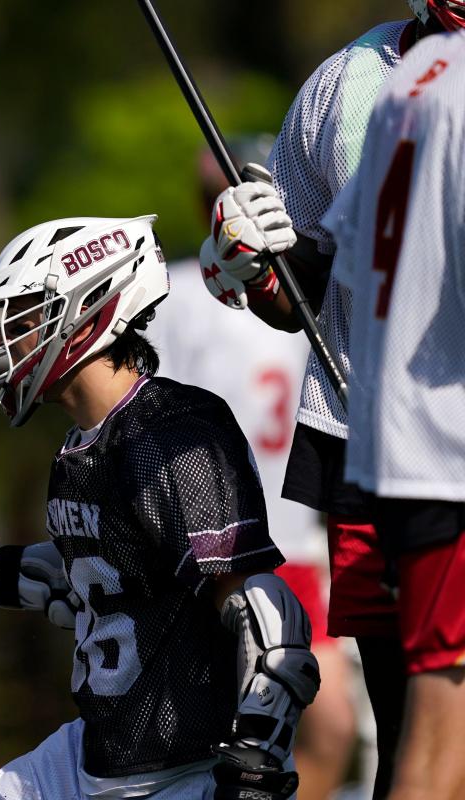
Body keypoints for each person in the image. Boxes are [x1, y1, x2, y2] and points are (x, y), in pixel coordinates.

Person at [0, 216, 320, 800]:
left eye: (29, 316)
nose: (10, 339)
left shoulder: (171, 431)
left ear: (89, 310)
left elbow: (258, 607)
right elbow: (105, 583)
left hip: (180, 769)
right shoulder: (80, 446)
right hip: (93, 754)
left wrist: (258, 758)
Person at [195, 4, 463, 793]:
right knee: (412, 719)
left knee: (432, 734)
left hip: (426, 441)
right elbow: (306, 290)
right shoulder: (352, 84)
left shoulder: (421, 88)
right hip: (366, 442)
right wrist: (259, 263)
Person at [152, 135, 358, 800]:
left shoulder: (310, 293)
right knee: (240, 728)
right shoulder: (177, 295)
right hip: (218, 546)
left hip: (297, 542)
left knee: (328, 730)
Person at [321, 27, 465, 800]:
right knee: (439, 751)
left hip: (401, 454)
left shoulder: (412, 76)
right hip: (451, 454)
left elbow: (340, 254)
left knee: (433, 737)